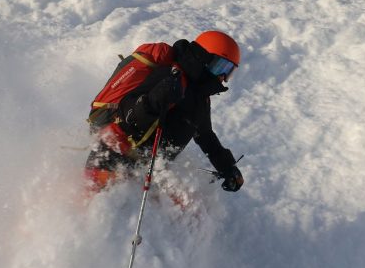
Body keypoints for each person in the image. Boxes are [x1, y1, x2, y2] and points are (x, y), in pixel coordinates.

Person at [84, 30, 245, 195]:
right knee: (100, 208)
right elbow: (127, 115)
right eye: (221, 67)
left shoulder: (200, 99)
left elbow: (205, 135)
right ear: (204, 57)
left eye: (229, 71)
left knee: (188, 212)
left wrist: (227, 167)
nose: (223, 77)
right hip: (113, 155)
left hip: (146, 169)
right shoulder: (171, 76)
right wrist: (154, 100)